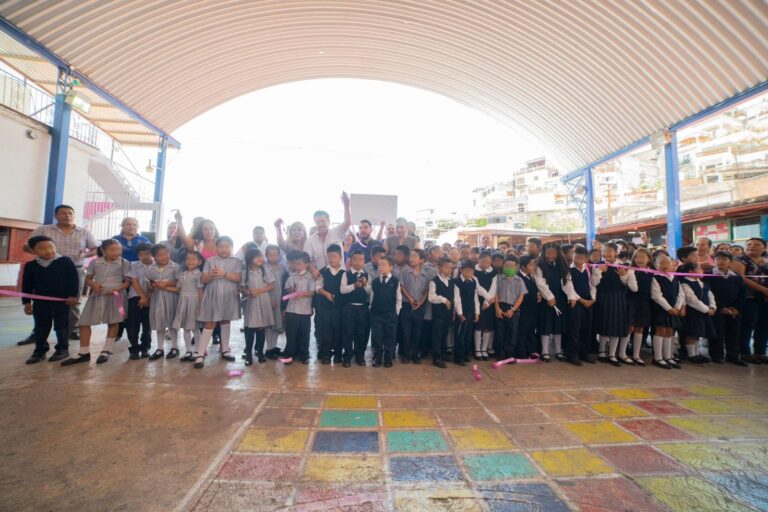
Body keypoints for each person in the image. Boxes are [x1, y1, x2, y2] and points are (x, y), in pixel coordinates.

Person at [21, 204, 98, 344]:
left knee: (74, 300)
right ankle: (37, 332)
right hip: (47, 269)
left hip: (75, 270)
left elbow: (95, 249)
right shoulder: (43, 230)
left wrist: (85, 254)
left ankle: (72, 330)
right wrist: (40, 253)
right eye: (63, 213)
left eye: (70, 213)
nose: (67, 215)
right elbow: (26, 246)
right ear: (55, 216)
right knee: (42, 302)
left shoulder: (84, 232)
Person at [62, 239, 133, 366]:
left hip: (116, 296)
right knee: (84, 323)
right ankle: (83, 353)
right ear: (103, 250)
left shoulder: (124, 263)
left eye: (119, 249)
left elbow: (128, 281)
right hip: (97, 295)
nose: (117, 252)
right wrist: (93, 285)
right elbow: (88, 279)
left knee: (113, 322)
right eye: (112, 250)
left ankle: (106, 350)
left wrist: (119, 288)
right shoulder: (95, 262)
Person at [21, 236, 80, 364]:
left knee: (61, 326)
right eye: (42, 249)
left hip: (62, 302)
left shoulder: (65, 261)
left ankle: (62, 349)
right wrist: (26, 302)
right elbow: (27, 285)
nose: (48, 251)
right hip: (40, 303)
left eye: (51, 247)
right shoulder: (31, 266)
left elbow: (74, 280)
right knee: (41, 327)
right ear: (33, 251)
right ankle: (40, 351)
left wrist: (72, 296)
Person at [194, 236, 243, 368]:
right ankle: (199, 354)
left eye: (227, 246)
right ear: (217, 248)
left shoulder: (237, 261)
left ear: (232, 247)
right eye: (221, 246)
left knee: (226, 321)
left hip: (229, 297)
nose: (224, 249)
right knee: (210, 323)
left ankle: (225, 350)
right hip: (212, 296)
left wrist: (224, 273)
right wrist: (212, 274)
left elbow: (238, 277)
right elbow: (203, 279)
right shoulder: (210, 261)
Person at [707, 251, 747, 366]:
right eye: (718, 259)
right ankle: (717, 355)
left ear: (730, 262)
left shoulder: (736, 277)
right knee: (717, 332)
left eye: (724, 259)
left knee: (733, 332)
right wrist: (721, 307)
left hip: (733, 310)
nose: (721, 262)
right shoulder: (709, 275)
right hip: (717, 309)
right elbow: (708, 293)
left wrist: (736, 308)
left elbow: (742, 294)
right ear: (714, 261)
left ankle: (733, 356)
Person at [591, 242, 628, 366]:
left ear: (616, 253)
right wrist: (599, 272)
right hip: (603, 297)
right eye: (604, 252)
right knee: (604, 324)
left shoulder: (623, 266)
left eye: (609, 252)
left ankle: (612, 354)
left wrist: (623, 276)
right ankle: (602, 351)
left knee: (616, 325)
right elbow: (593, 283)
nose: (606, 254)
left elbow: (628, 285)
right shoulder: (597, 265)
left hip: (618, 297)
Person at [732, 237, 768, 364]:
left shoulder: (766, 260)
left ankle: (760, 352)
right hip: (748, 297)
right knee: (747, 325)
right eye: (749, 244)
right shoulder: (741, 260)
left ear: (764, 247)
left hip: (765, 298)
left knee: (763, 326)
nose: (752, 246)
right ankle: (744, 352)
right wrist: (763, 289)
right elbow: (741, 278)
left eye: (756, 245)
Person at [650, 253, 685, 369]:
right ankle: (658, 357)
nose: (665, 265)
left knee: (670, 331)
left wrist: (677, 307)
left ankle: (668, 356)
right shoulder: (656, 277)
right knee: (660, 330)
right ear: (656, 265)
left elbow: (680, 294)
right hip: (661, 309)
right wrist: (668, 308)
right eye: (661, 263)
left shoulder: (675, 278)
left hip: (674, 309)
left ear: (672, 265)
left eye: (667, 263)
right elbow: (656, 295)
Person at [563, 246, 596, 366]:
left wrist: (592, 299)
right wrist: (581, 300)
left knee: (586, 329)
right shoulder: (568, 270)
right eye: (576, 257)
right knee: (574, 329)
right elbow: (568, 287)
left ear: (586, 258)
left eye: (582, 258)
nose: (578, 260)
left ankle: (584, 353)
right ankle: (572, 354)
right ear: (573, 256)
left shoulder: (587, 269)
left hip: (588, 303)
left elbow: (592, 285)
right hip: (575, 303)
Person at [240, 248, 275, 365]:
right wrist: (248, 292)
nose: (261, 259)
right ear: (250, 259)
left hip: (263, 301)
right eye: (257, 257)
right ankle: (248, 355)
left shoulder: (265, 270)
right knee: (250, 328)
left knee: (261, 329)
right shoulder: (245, 272)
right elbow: (242, 288)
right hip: (251, 302)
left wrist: (259, 291)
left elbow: (271, 285)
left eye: (261, 256)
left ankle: (260, 352)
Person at [146, 244, 181, 360]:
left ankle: (175, 347)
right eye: (160, 255)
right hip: (157, 298)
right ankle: (159, 349)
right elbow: (149, 285)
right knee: (159, 323)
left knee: (172, 323)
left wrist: (166, 283)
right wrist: (152, 286)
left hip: (172, 297)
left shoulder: (175, 267)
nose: (164, 257)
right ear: (154, 257)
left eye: (166, 254)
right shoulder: (151, 268)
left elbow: (179, 283)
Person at [536, 243, 569, 362]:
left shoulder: (562, 265)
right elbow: (540, 283)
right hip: (546, 300)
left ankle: (558, 351)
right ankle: (545, 351)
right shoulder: (540, 265)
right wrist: (549, 297)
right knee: (546, 325)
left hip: (560, 298)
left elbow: (566, 282)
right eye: (548, 253)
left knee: (558, 325)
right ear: (543, 253)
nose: (551, 255)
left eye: (553, 253)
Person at [679, 262, 717, 365]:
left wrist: (713, 307)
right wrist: (706, 309)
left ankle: (697, 353)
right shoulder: (685, 283)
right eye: (699, 269)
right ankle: (691, 355)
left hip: (703, 313)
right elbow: (692, 300)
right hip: (693, 313)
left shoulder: (703, 283)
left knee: (698, 334)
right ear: (691, 271)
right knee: (692, 333)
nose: (702, 271)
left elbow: (710, 296)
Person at [304, 192, 352, 272]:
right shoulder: (310, 241)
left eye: (323, 221)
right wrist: (313, 270)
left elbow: (347, 222)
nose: (320, 224)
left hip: (340, 276)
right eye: (317, 222)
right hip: (320, 278)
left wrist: (346, 205)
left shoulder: (337, 232)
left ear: (329, 221)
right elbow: (307, 260)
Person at [282, 251, 315, 365]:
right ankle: (289, 355)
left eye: (299, 264)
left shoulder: (310, 277)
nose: (297, 266)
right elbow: (287, 289)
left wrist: (302, 293)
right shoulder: (292, 276)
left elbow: (312, 292)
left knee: (304, 334)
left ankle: (303, 355)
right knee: (290, 334)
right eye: (295, 264)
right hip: (291, 310)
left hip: (305, 311)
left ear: (306, 264)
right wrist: (292, 291)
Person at [492, 254, 527, 361]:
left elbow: (521, 297)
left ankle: (510, 354)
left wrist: (513, 309)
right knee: (500, 332)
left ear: (516, 267)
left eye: (512, 266)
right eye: (506, 266)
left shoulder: (519, 280)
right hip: (500, 306)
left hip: (513, 308)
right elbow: (495, 294)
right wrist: (497, 309)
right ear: (503, 266)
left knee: (512, 333)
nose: (509, 268)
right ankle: (500, 354)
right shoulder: (498, 278)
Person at [340, 250, 371, 366]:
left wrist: (365, 284)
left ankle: (360, 355)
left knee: (361, 333)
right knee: (348, 332)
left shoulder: (367, 275)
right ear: (351, 261)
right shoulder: (346, 274)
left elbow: (369, 292)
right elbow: (342, 290)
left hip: (362, 308)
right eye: (355, 259)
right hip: (348, 308)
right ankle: (347, 356)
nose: (357, 262)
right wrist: (354, 285)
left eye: (361, 259)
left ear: (364, 261)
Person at [316, 244, 346, 365]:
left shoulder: (345, 273)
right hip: (325, 308)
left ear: (340, 257)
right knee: (326, 331)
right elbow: (317, 286)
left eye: (334, 256)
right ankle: (327, 354)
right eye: (329, 257)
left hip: (339, 308)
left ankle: (338, 354)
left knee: (338, 330)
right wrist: (326, 293)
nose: (332, 259)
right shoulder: (323, 271)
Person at [399, 249, 430, 364]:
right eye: (410, 255)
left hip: (420, 306)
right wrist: (410, 299)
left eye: (415, 256)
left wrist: (421, 301)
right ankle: (406, 355)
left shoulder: (425, 274)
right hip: (407, 305)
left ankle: (415, 354)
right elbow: (402, 287)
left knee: (418, 331)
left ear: (421, 260)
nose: (411, 258)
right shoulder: (405, 271)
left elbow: (427, 290)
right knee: (406, 331)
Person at [172, 251, 205, 362]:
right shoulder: (182, 275)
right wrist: (161, 287)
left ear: (199, 262)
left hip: (194, 301)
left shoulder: (199, 275)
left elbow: (201, 291)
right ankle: (188, 351)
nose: (190, 261)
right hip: (183, 301)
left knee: (195, 328)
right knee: (186, 328)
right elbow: (178, 289)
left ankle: (197, 351)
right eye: (188, 259)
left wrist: (200, 306)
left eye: (193, 259)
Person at [370, 256, 402, 368]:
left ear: (391, 267)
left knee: (390, 337)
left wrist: (396, 313)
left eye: (383, 265)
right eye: (379, 265)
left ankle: (388, 359)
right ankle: (377, 358)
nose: (380, 267)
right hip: (377, 314)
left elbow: (399, 299)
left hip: (390, 314)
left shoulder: (395, 282)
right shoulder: (375, 282)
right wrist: (372, 312)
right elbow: (372, 298)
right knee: (377, 337)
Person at [625, 248, 654, 365]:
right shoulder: (631, 270)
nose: (639, 259)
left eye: (642, 257)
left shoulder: (652, 271)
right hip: (632, 301)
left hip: (645, 302)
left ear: (649, 259)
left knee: (640, 328)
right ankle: (623, 352)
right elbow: (633, 288)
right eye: (636, 257)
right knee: (630, 327)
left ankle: (636, 355)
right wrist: (630, 273)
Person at [126, 243, 153, 359]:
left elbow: (156, 284)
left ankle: (145, 347)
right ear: (137, 255)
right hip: (135, 297)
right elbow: (134, 282)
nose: (145, 256)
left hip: (152, 298)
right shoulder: (134, 264)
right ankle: (134, 348)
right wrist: (143, 297)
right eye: (141, 254)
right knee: (132, 324)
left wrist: (148, 296)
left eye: (147, 253)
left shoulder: (157, 266)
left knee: (148, 326)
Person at [428, 258, 456, 368]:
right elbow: (431, 297)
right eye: (447, 267)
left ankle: (443, 354)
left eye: (451, 268)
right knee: (437, 336)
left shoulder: (451, 281)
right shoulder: (434, 281)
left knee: (445, 334)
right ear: (439, 268)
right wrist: (443, 300)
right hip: (438, 314)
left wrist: (453, 311)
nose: (449, 270)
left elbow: (454, 297)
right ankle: (436, 358)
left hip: (448, 313)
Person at [264, 245, 286, 359]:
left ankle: (274, 346)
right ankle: (269, 348)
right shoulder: (263, 267)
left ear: (279, 255)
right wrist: (269, 299)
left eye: (275, 254)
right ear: (266, 255)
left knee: (278, 323)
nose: (273, 256)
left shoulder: (282, 267)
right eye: (270, 254)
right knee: (269, 324)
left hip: (280, 298)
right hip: (269, 298)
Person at [515, 255, 539, 358]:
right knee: (522, 332)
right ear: (523, 266)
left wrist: (538, 295)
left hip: (532, 309)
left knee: (531, 331)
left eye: (534, 264)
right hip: (522, 309)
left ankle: (531, 351)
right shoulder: (518, 278)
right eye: (531, 264)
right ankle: (521, 353)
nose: (534, 266)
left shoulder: (532, 276)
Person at [474, 251, 496, 360]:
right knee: (478, 326)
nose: (486, 264)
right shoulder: (474, 271)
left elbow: (494, 287)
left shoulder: (494, 272)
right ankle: (477, 349)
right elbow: (477, 287)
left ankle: (484, 349)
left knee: (488, 326)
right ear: (479, 261)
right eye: (483, 261)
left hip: (489, 303)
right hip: (477, 301)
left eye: (488, 262)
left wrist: (488, 302)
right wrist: (486, 298)